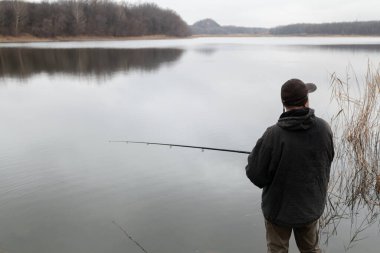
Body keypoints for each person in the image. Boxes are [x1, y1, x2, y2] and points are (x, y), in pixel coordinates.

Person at [245, 79, 334, 253]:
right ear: (306, 101)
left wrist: (254, 157)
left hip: (278, 212)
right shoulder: (324, 128)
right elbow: (328, 160)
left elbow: (256, 175)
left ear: (284, 104)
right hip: (310, 207)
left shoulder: (272, 135)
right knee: (311, 250)